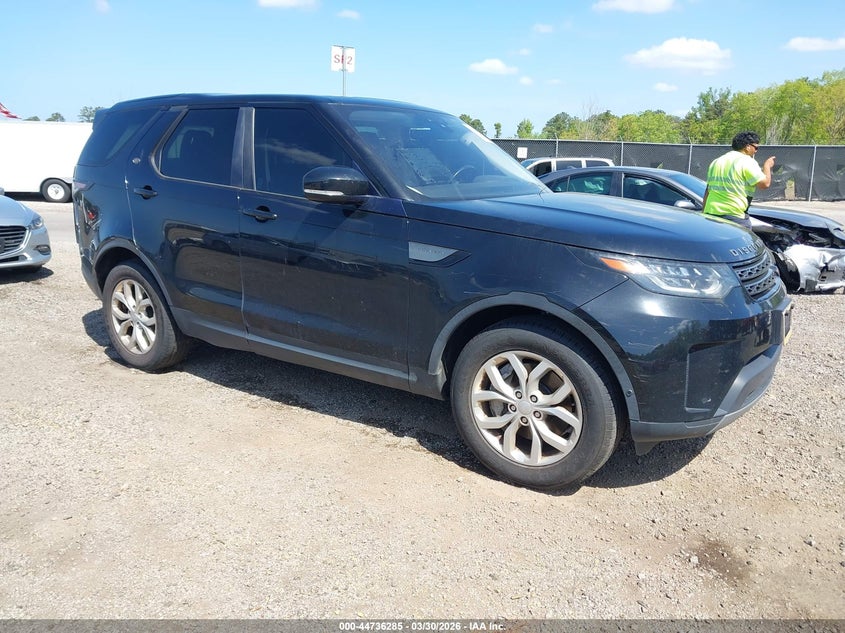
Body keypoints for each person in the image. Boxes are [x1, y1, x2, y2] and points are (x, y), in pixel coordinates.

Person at [702, 131, 775, 229]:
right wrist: (767, 166)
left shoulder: (717, 161)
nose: (756, 151)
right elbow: (764, 184)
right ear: (747, 146)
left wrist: (704, 212)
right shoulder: (747, 161)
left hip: (711, 214)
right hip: (734, 215)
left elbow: (708, 190)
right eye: (756, 147)